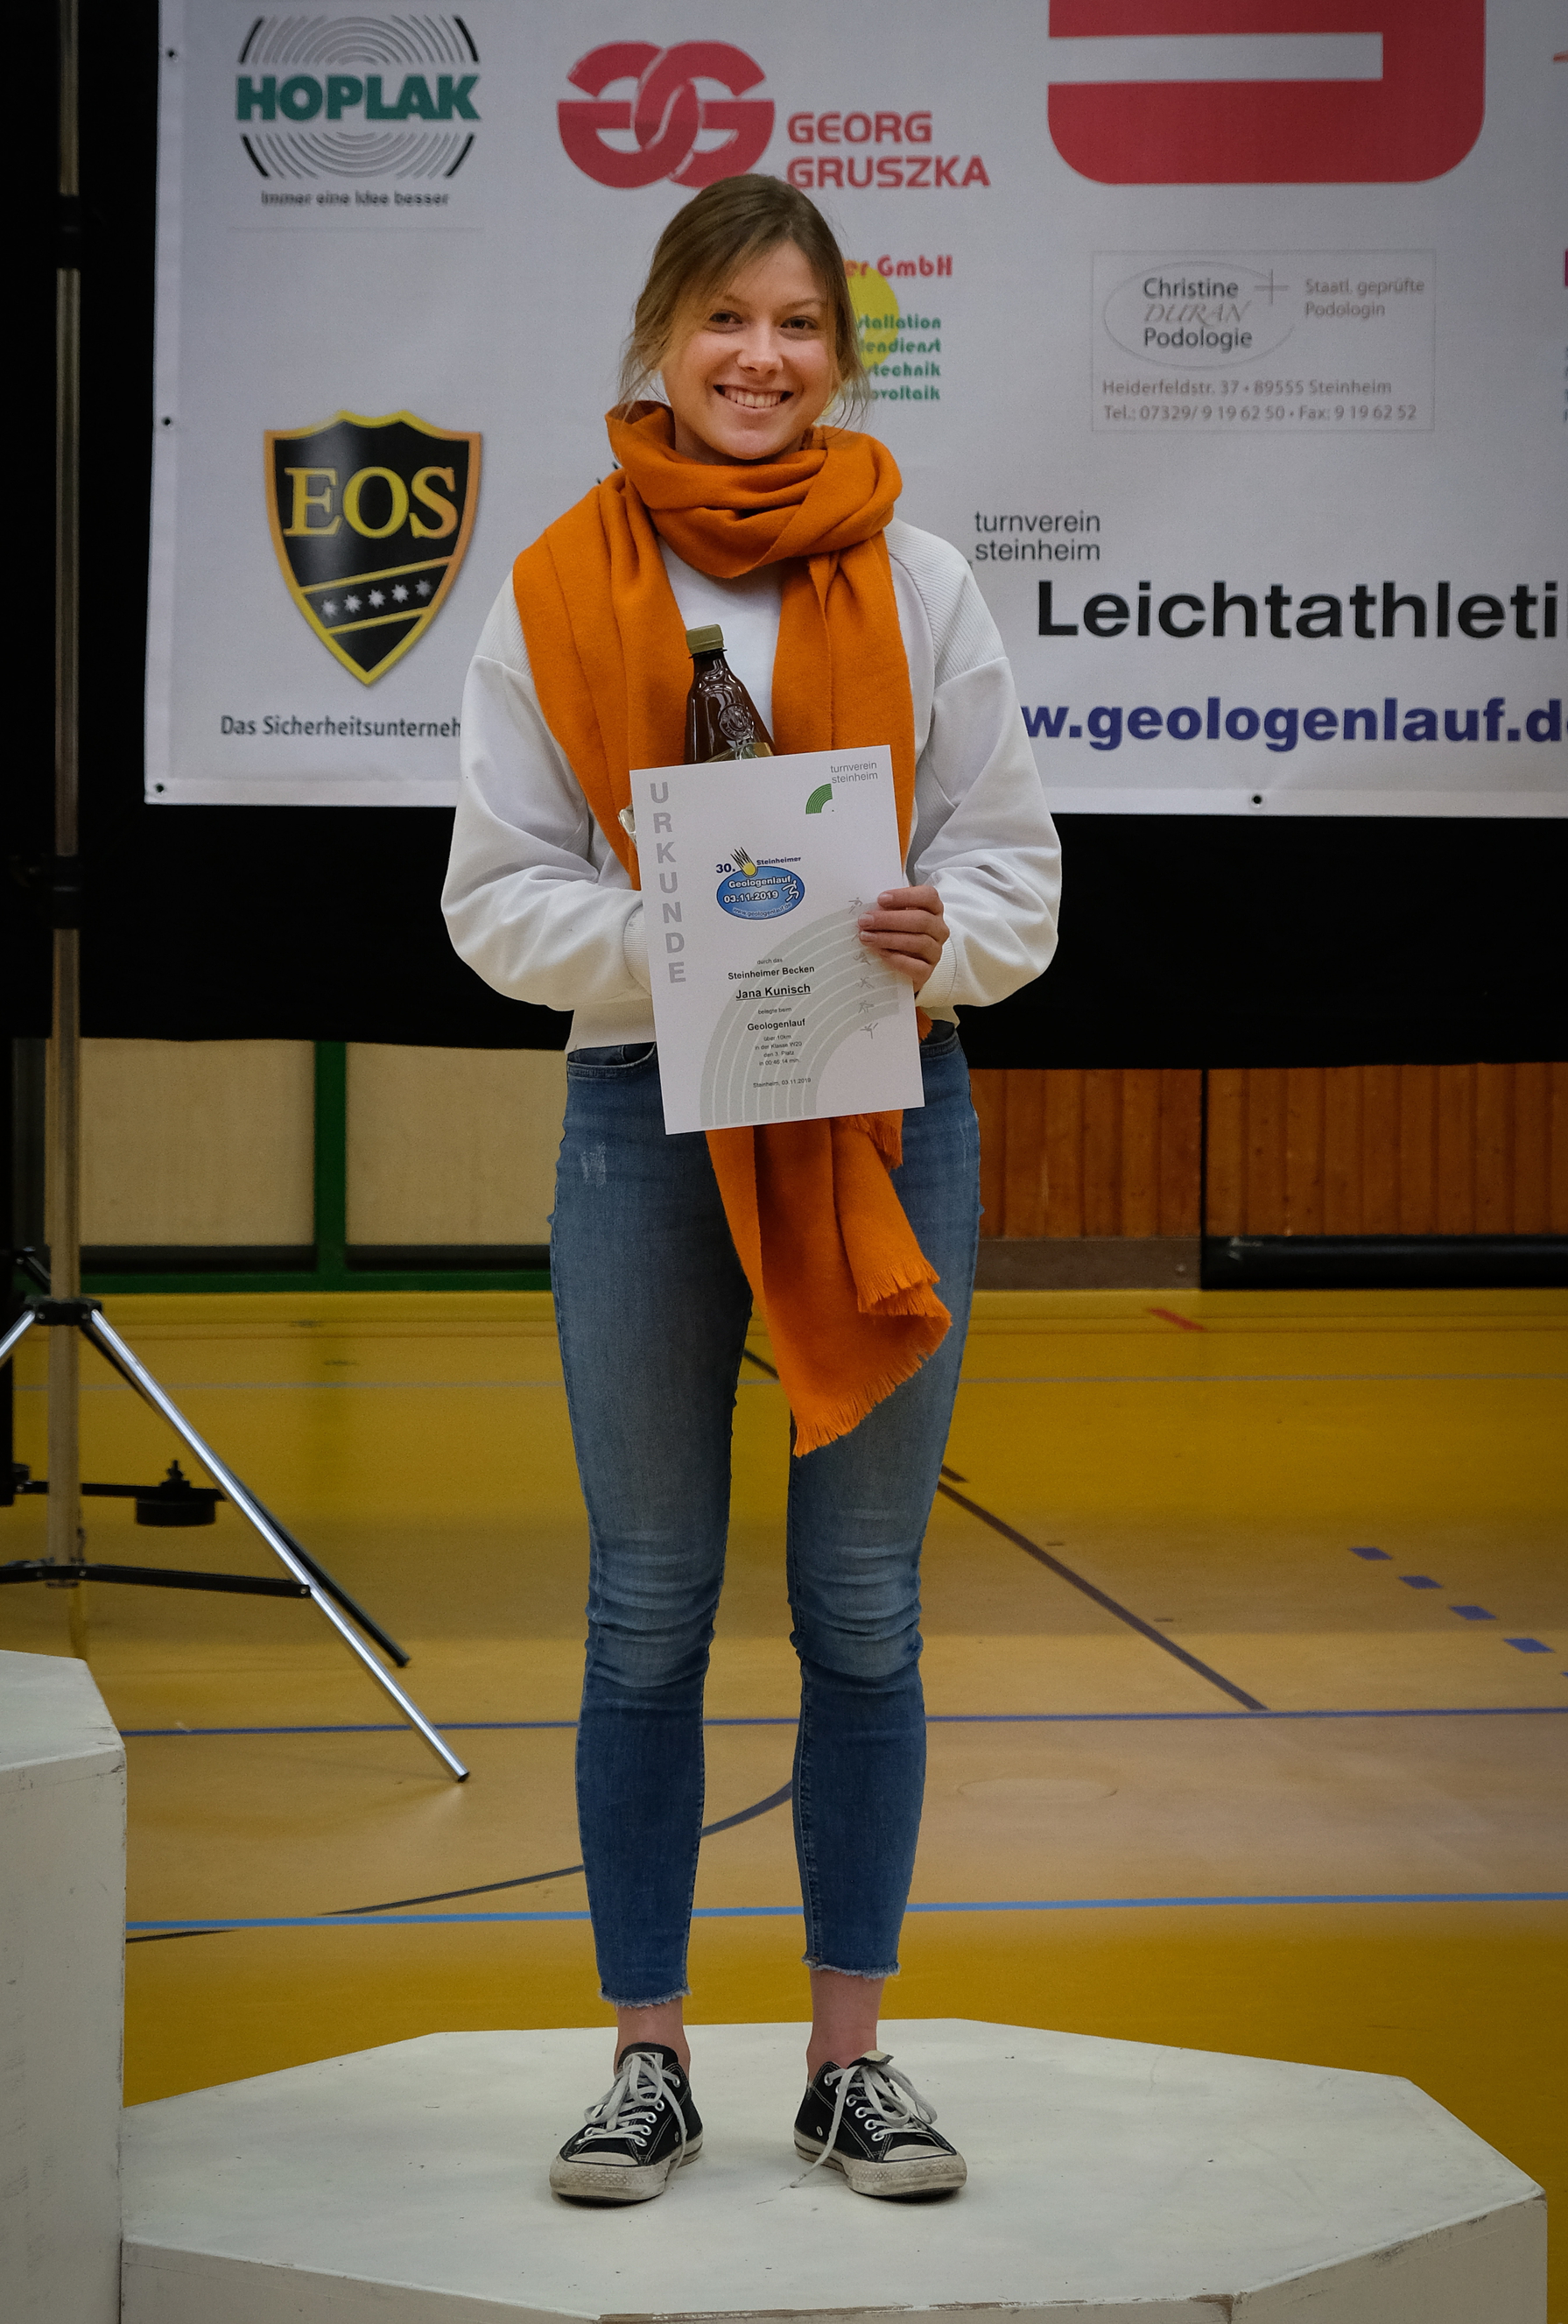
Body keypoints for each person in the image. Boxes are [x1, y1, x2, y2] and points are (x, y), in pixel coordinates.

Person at [442, 174, 1058, 2205]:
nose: (759, 358)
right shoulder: (557, 585)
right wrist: (681, 940)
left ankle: (850, 2066)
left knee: (864, 1612)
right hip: (645, 1116)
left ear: (841, 355)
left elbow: (1015, 872)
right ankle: (645, 2061)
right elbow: (495, 900)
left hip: (888, 1112)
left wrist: (939, 936)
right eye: (725, 319)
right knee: (647, 1609)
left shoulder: (924, 579)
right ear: (662, 338)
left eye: (797, 325)